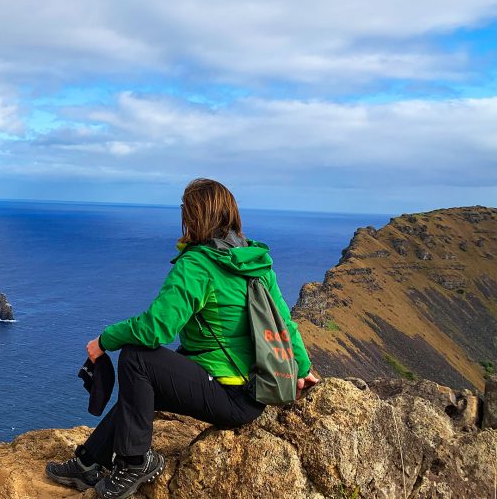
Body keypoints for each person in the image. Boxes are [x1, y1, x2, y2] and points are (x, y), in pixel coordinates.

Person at [45, 178, 319, 499]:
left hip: (228, 396)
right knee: (141, 391)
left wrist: (105, 340)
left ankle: (135, 462)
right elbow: (284, 324)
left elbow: (155, 329)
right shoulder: (255, 262)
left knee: (137, 356)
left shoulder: (197, 265)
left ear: (192, 216)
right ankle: (89, 462)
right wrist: (302, 369)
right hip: (254, 395)